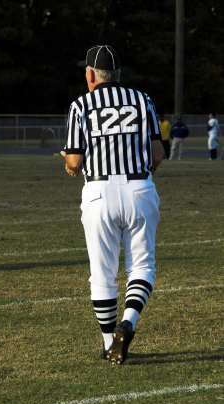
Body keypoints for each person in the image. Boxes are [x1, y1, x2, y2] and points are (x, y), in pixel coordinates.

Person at [60, 45, 163, 365]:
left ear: (91, 74)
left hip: (99, 193)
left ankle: (109, 344)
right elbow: (158, 155)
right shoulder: (143, 100)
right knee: (142, 267)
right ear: (118, 74)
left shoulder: (81, 105)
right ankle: (127, 324)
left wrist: (69, 164)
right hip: (139, 188)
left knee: (102, 274)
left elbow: (75, 161)